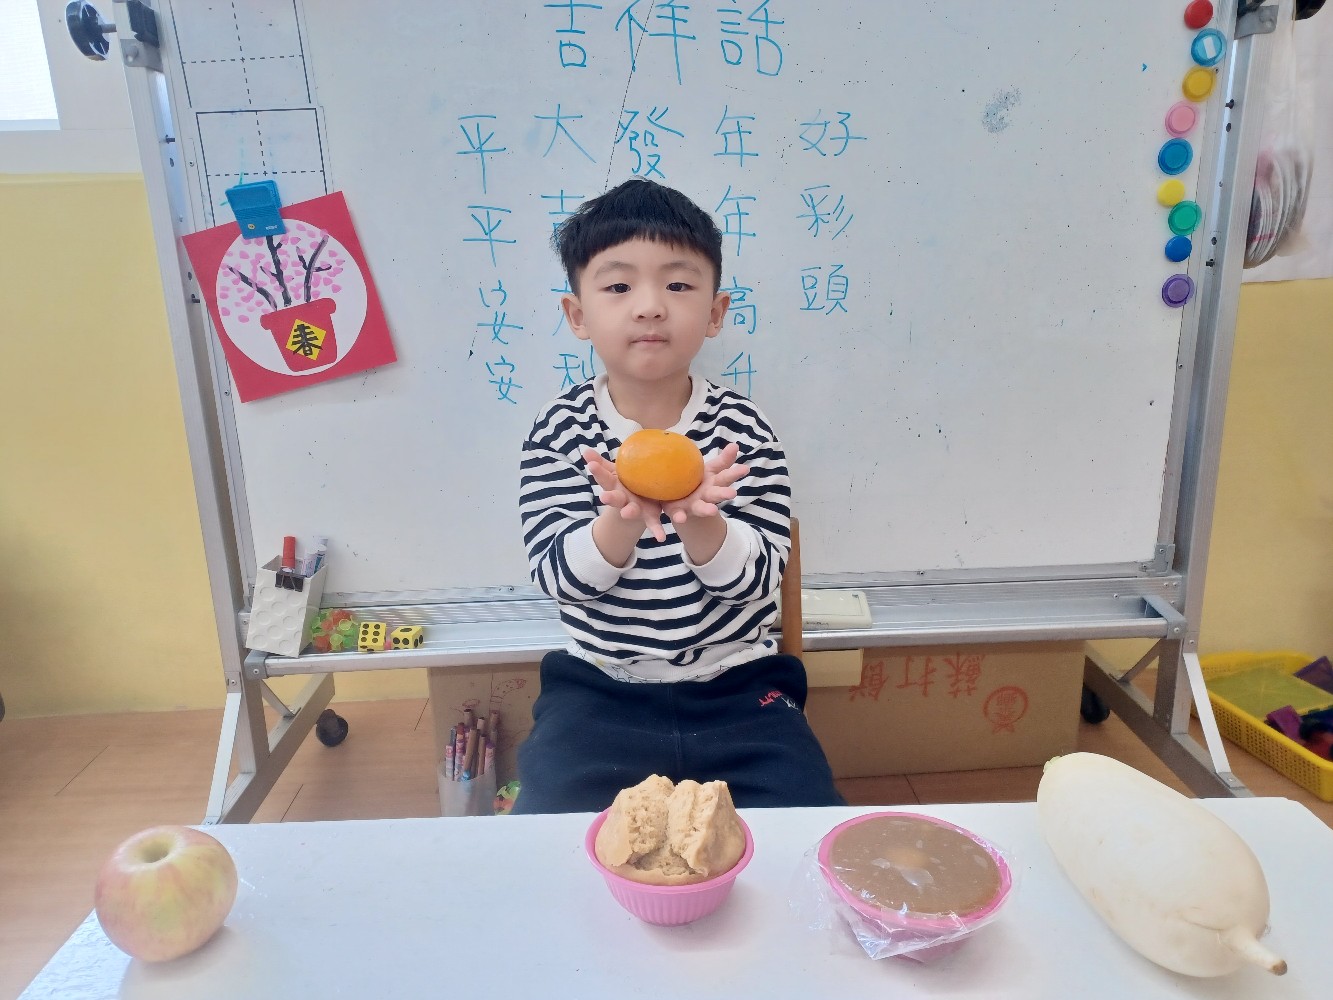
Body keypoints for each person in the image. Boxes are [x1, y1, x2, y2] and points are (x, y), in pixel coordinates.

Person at [513, 178, 843, 815]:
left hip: (739, 686)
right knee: (546, 831)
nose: (649, 307)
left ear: (715, 313)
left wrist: (701, 519)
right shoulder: (560, 433)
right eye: (618, 286)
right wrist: (620, 520)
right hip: (599, 689)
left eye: (678, 285)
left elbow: (757, 585)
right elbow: (561, 582)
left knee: (805, 821)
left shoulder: (744, 431)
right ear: (577, 315)